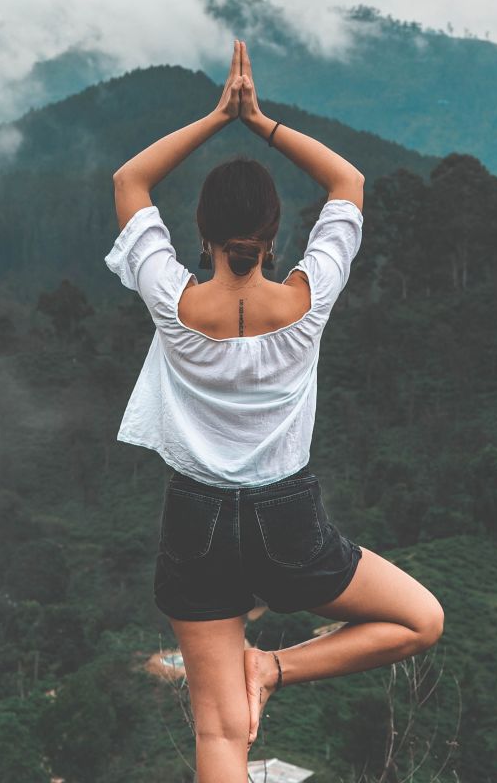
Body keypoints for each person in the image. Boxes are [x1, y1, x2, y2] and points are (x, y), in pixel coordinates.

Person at [105, 40, 445, 782]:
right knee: (421, 620)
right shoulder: (307, 296)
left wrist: (213, 117)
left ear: (199, 230)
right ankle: (274, 670)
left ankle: (252, 677)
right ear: (272, 232)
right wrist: (258, 121)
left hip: (194, 520)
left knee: (219, 736)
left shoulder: (171, 299)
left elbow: (130, 179)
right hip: (286, 520)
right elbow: (347, 180)